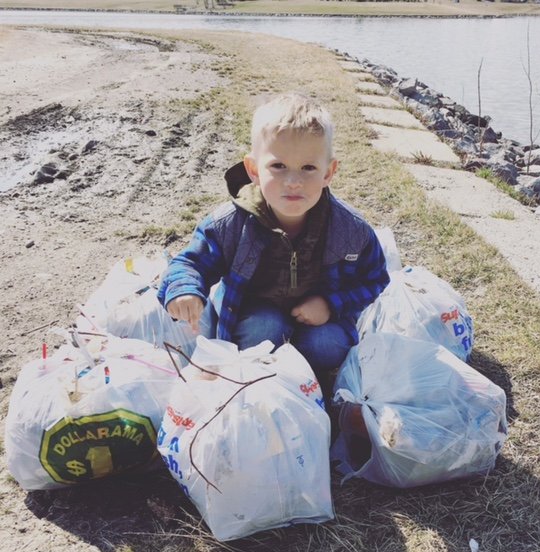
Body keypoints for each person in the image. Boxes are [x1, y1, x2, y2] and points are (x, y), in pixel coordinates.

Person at [157, 93, 390, 400]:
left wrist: (330, 303)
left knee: (329, 344)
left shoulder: (351, 230)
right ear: (254, 170)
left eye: (308, 168)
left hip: (317, 319)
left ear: (328, 172)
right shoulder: (228, 223)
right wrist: (185, 289)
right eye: (278, 166)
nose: (293, 181)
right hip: (253, 315)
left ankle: (305, 384)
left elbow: (375, 278)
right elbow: (190, 263)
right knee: (265, 326)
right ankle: (259, 380)